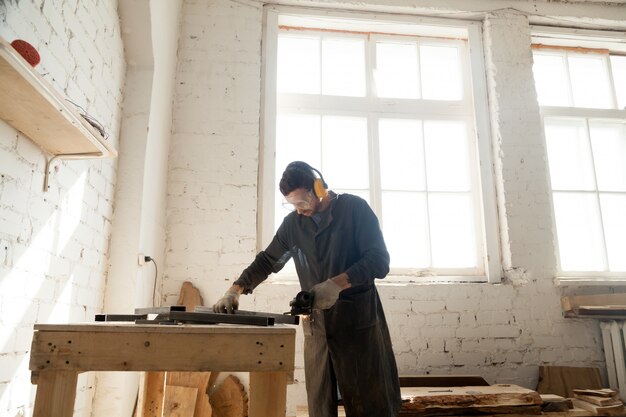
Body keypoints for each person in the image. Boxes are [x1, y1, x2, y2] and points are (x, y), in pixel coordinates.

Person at [213, 161, 401, 417]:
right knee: (321, 407)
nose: (299, 210)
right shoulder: (293, 225)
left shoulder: (353, 209)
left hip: (358, 327)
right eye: (293, 205)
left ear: (319, 188)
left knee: (370, 405)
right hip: (318, 329)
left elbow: (379, 260)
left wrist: (337, 283)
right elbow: (267, 261)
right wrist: (235, 289)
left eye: (303, 203)